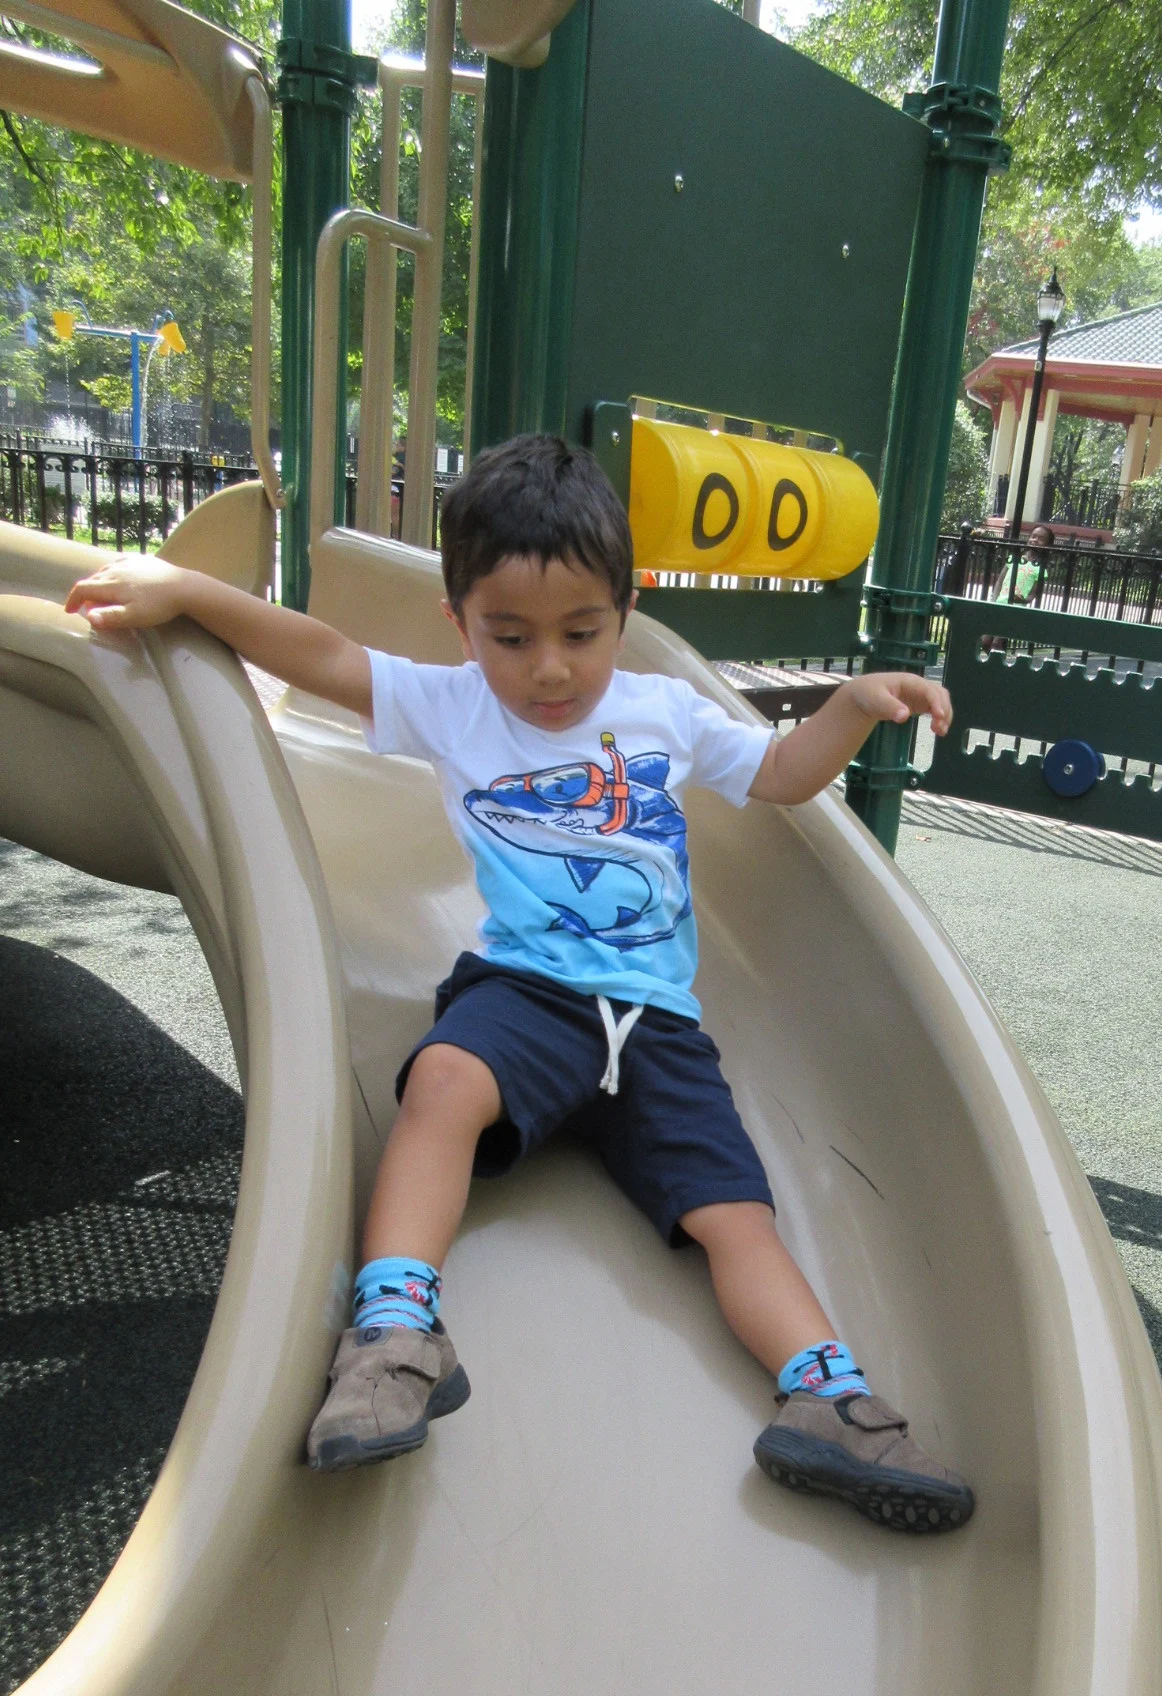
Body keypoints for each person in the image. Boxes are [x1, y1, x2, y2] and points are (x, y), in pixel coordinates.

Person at [63, 434, 975, 1535]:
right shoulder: (456, 705)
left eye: (581, 633)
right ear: (460, 623)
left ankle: (830, 1399)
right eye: (510, 635)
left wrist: (851, 706)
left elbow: (780, 775)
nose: (549, 667)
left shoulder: (663, 714)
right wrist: (189, 590)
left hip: (658, 1025)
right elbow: (322, 653)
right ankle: (396, 1332)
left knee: (737, 1214)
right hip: (528, 990)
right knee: (443, 1078)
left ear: (624, 611)